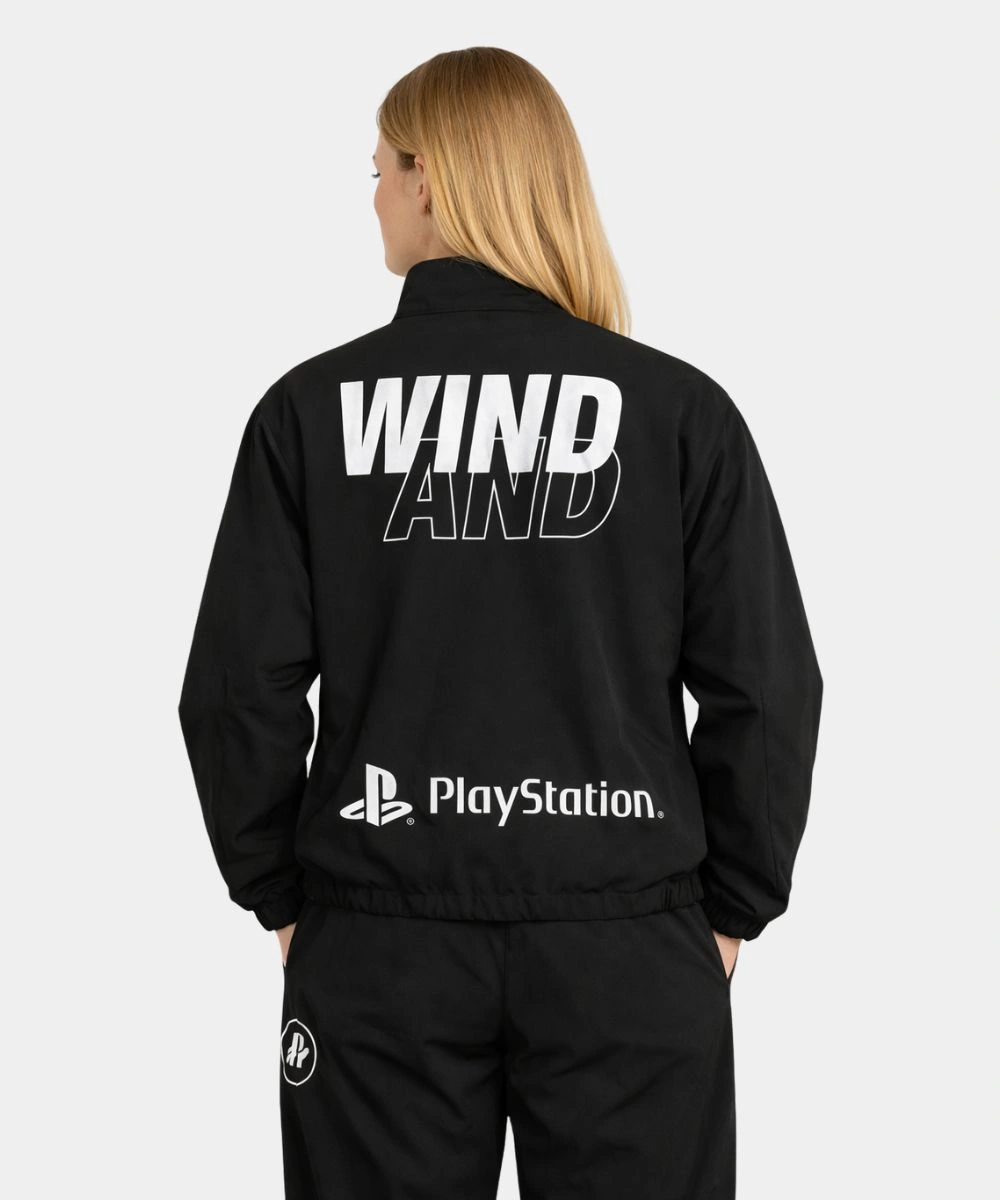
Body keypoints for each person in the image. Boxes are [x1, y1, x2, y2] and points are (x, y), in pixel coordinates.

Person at [178, 45, 823, 1200]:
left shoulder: (308, 413)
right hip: (627, 943)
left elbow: (237, 690)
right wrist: (729, 910)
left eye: (378, 169)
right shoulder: (678, 413)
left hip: (382, 937)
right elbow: (766, 689)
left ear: (430, 178)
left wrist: (282, 896)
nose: (373, 196)